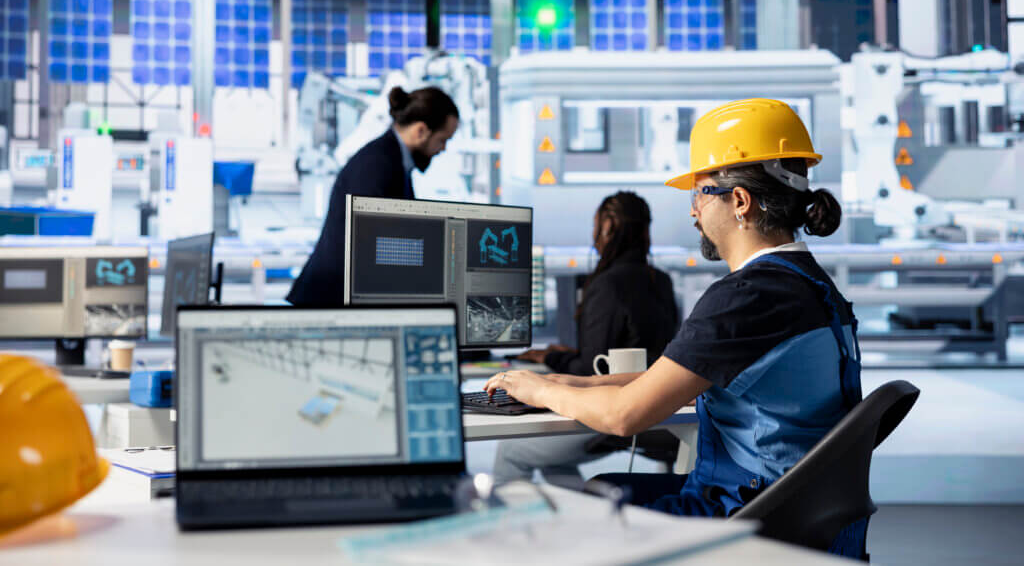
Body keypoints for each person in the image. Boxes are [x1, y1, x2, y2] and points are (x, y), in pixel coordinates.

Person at [484, 99, 867, 558]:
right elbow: (679, 375)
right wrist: (573, 380)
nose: (693, 213)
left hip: (743, 515)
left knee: (585, 508)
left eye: (699, 194)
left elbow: (624, 416)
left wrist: (540, 392)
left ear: (739, 202)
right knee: (603, 487)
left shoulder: (746, 297)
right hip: (805, 518)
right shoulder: (810, 286)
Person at [493, 191, 680, 485]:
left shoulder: (607, 284)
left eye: (596, 228)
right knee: (552, 459)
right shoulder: (662, 281)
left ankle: (508, 529)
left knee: (511, 452)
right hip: (659, 412)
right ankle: (582, 520)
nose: (594, 238)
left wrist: (551, 357)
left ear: (607, 228)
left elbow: (590, 369)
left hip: (612, 411)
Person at [287, 86, 459, 307]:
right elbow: (378, 246)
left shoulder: (394, 162)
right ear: (420, 131)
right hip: (330, 303)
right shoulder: (377, 165)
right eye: (443, 139)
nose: (442, 149)